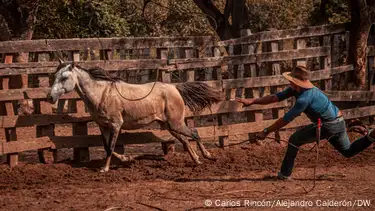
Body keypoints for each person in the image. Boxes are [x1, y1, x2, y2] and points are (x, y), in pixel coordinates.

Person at [235, 65, 375, 180]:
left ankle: (284, 174)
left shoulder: (304, 99)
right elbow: (274, 97)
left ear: (296, 82)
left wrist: (266, 131)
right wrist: (252, 101)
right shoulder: (298, 90)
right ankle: (372, 136)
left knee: (294, 139)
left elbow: (286, 119)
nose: (289, 82)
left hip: (328, 125)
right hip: (339, 122)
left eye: (291, 80)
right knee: (348, 151)